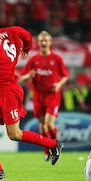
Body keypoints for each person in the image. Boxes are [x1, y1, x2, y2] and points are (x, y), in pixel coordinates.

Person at [0, 11, 63, 181]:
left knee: (14, 134)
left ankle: (53, 144)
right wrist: (27, 48)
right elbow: (26, 35)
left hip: (8, 91)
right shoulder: (9, 31)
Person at [20, 30, 69, 161]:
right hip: (38, 95)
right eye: (41, 40)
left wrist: (58, 84)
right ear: (38, 42)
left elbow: (65, 76)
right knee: (42, 126)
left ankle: (56, 146)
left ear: (50, 42)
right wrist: (28, 76)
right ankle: (47, 152)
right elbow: (23, 78)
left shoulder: (56, 59)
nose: (43, 42)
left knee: (48, 123)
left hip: (52, 95)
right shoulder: (34, 60)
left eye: (46, 40)